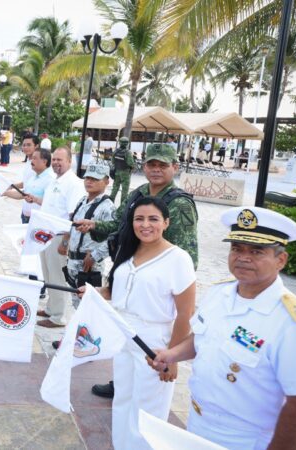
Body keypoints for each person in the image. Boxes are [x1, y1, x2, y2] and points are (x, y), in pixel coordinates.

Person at [148, 207, 296, 450]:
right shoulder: (219, 293)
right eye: (236, 249)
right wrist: (172, 354)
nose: (243, 257)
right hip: (197, 423)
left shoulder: (294, 323)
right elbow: (202, 338)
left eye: (257, 251)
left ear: (280, 260)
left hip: (245, 441)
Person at [75, 143, 198, 399]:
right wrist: (95, 225)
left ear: (175, 168)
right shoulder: (139, 192)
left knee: (146, 404)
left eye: (163, 165)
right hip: (130, 276)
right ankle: (118, 382)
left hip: (156, 303)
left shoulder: (180, 204)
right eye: (152, 164)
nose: (156, 170)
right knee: (125, 389)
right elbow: (121, 224)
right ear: (144, 167)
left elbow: (186, 257)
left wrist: (173, 354)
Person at [80, 195, 195, 450]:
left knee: (147, 414)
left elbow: (185, 314)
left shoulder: (178, 259)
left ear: (166, 222)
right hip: (124, 336)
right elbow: (115, 291)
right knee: (123, 402)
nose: (145, 225)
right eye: (139, 219)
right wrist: (93, 292)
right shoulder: (128, 249)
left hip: (154, 343)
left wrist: (172, 357)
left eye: (153, 219)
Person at [25, 146, 85, 327]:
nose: (57, 163)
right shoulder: (54, 181)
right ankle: (51, 309)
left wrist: (66, 242)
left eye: (61, 160)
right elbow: (51, 205)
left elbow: (74, 215)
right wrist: (35, 199)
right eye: (55, 160)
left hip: (59, 237)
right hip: (46, 235)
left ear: (70, 161)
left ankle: (59, 317)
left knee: (58, 276)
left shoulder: (73, 184)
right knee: (49, 275)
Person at [60, 163, 116, 306]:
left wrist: (95, 256)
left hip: (89, 265)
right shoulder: (82, 201)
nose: (89, 182)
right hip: (73, 261)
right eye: (87, 178)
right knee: (76, 303)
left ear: (106, 181)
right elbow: (73, 223)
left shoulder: (107, 206)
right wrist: (65, 242)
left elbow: (113, 236)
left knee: (89, 306)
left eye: (95, 179)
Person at [110, 136, 135, 205]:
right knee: (125, 190)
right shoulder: (128, 152)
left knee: (115, 188)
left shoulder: (116, 151)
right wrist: (132, 168)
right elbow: (131, 163)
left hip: (117, 172)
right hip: (125, 173)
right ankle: (123, 206)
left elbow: (112, 161)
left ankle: (110, 202)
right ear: (127, 144)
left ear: (120, 143)